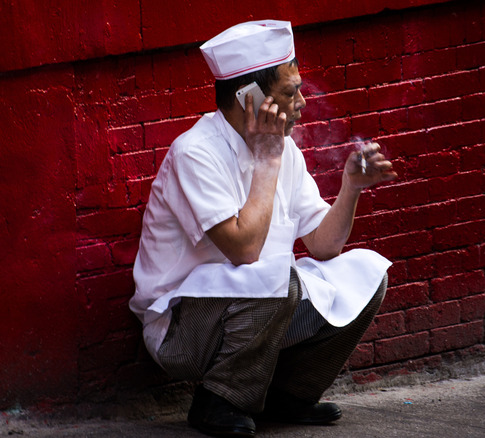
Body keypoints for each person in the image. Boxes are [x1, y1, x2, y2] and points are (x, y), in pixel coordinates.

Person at [130, 20, 397, 437]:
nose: (302, 104)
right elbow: (244, 251)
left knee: (366, 274)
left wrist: (351, 188)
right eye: (290, 92)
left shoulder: (284, 149)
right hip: (182, 330)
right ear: (249, 99)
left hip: (262, 305)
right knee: (277, 277)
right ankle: (217, 400)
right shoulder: (195, 153)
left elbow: (324, 246)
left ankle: (286, 395)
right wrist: (267, 159)